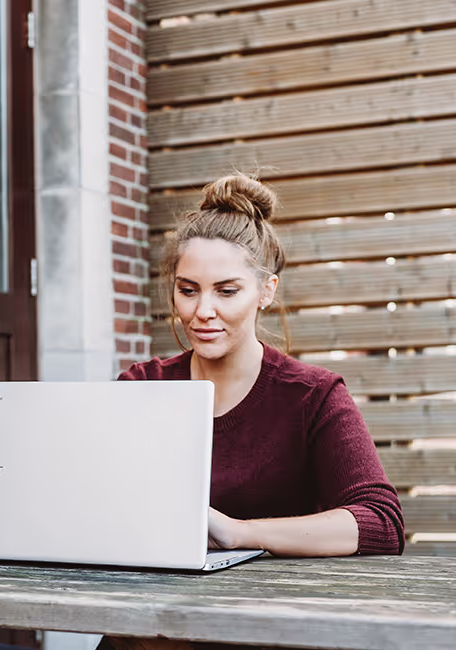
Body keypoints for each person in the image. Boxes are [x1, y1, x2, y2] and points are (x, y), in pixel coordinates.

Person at [118, 173, 404, 556]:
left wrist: (239, 533)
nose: (202, 311)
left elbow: (381, 524)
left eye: (227, 291)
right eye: (188, 290)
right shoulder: (142, 386)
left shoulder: (313, 396)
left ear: (266, 292)